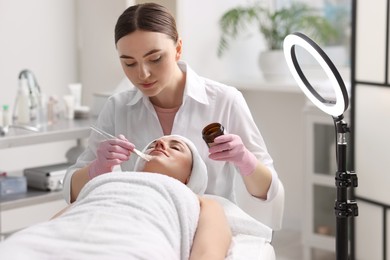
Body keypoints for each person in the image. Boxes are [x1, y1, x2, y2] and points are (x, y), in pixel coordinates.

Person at [63, 2, 280, 208]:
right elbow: (71, 192)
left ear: (178, 49)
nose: (142, 74)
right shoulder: (118, 108)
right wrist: (97, 167)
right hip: (145, 223)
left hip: (208, 224)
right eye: (129, 63)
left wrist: (245, 160)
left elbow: (268, 192)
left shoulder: (224, 101)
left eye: (155, 58)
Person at [0, 135, 232, 260]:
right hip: (51, 243)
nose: (161, 143)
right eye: (155, 144)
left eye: (176, 147)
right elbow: (57, 223)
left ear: (189, 178)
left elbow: (208, 254)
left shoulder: (199, 201)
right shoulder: (106, 181)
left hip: (131, 248)